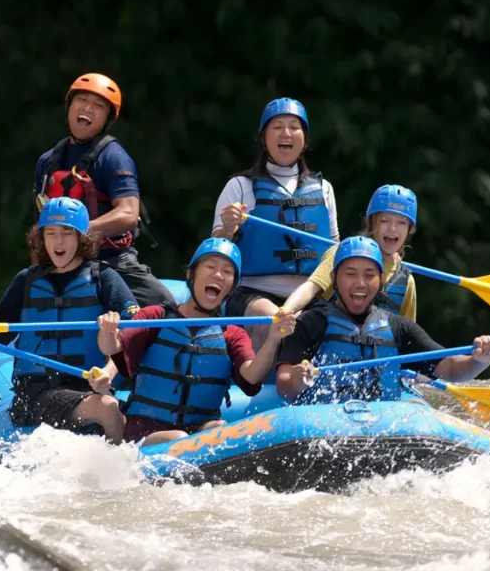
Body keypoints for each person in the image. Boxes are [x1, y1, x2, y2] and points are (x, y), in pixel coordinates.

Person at [96, 238, 295, 447]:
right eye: (210, 266)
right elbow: (112, 348)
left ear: (232, 287)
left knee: (219, 429)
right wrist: (107, 331)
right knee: (180, 439)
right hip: (144, 432)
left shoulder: (232, 334)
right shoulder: (156, 317)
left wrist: (273, 338)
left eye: (227, 272)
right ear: (190, 275)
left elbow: (251, 374)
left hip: (197, 431)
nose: (218, 275)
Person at [0, 197, 137, 444]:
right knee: (107, 407)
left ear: (80, 237)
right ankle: (131, 479)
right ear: (41, 238)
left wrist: (108, 372)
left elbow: (133, 336)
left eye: (67, 232)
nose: (59, 241)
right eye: (50, 233)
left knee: (112, 407)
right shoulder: (27, 281)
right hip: (34, 394)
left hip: (89, 386)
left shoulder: (103, 278)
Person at [274, 236, 490, 405]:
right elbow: (284, 385)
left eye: (369, 275)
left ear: (381, 281)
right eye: (350, 274)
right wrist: (297, 378)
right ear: (334, 279)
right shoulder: (312, 321)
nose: (360, 283)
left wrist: (479, 360)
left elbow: (449, 368)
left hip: (383, 422)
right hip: (325, 420)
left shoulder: (398, 327)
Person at [33, 73, 174, 309]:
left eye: (98, 106)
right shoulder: (47, 162)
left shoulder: (113, 157)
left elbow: (128, 214)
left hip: (111, 259)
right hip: (57, 260)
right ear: (70, 106)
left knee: (165, 303)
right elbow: (38, 227)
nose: (88, 108)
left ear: (107, 118)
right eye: (82, 100)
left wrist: (76, 231)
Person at [210, 97, 339, 349]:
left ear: (304, 139)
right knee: (273, 321)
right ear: (263, 138)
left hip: (310, 294)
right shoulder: (239, 186)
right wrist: (226, 228)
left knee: (326, 325)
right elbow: (215, 251)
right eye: (277, 126)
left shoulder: (324, 189)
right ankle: (256, 385)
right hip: (253, 292)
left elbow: (335, 248)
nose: (286, 133)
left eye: (294, 126)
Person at [282, 184, 419, 321]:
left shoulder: (407, 282)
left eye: (402, 223)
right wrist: (285, 311)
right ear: (371, 222)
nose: (393, 229)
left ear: (409, 230)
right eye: (385, 220)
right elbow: (310, 287)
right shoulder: (342, 252)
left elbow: (407, 333)